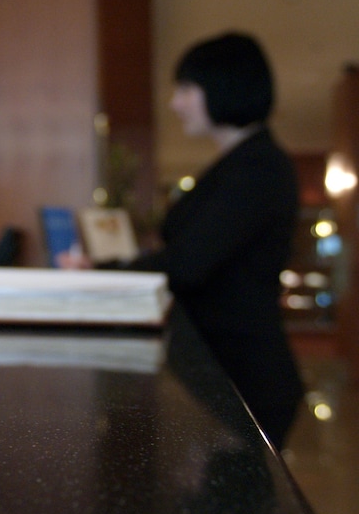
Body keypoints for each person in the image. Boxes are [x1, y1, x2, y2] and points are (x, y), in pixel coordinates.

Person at [59, 32, 304, 449]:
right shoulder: (241, 163)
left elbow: (188, 264)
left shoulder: (258, 167)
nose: (176, 104)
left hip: (247, 375)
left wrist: (102, 272)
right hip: (233, 367)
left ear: (225, 86)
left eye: (187, 89)